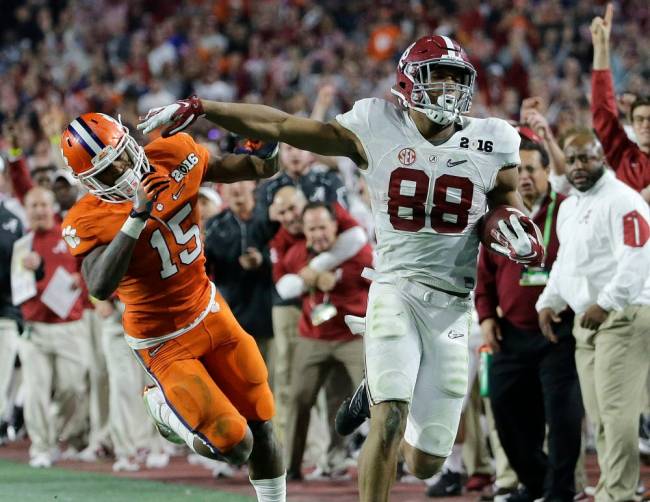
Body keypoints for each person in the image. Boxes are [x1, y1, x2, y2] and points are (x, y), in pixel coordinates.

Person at [138, 35, 544, 501]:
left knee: (426, 460)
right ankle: (385, 395)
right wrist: (204, 106)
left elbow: (503, 203)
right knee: (390, 416)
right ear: (408, 84)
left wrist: (512, 229)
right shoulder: (376, 124)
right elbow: (285, 125)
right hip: (394, 287)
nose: (450, 90)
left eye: (458, 79)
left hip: (452, 302)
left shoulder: (495, 139)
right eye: (439, 78)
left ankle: (378, 383)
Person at [59, 111, 286, 502]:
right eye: (109, 172)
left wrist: (267, 149)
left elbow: (252, 167)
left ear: (131, 143)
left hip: (209, 309)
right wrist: (136, 216)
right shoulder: (87, 217)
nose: (126, 172)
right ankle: (164, 411)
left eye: (123, 158)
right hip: (162, 340)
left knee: (263, 419)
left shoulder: (173, 154)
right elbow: (99, 285)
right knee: (235, 444)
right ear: (89, 183)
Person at [536, 131, 650, 502]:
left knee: (617, 414)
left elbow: (638, 257)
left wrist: (606, 301)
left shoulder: (623, 200)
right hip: (588, 321)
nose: (578, 167)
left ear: (603, 157)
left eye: (586, 158)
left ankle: (617, 494)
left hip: (622, 316)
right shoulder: (571, 206)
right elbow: (564, 263)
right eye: (571, 160)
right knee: (601, 417)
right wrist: (547, 302)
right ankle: (613, 490)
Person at [475, 138, 582, 502]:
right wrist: (486, 315)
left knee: (563, 416)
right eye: (516, 171)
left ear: (547, 170)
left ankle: (560, 490)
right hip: (511, 332)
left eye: (531, 169)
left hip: (558, 332)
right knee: (505, 410)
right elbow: (484, 273)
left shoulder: (569, 209)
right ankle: (535, 483)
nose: (523, 178)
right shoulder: (501, 218)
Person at [275, 202, 371, 479]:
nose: (318, 233)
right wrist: (310, 279)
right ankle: (291, 468)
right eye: (312, 228)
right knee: (298, 399)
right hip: (313, 337)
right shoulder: (297, 255)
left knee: (376, 400)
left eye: (323, 226)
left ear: (335, 227)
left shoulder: (358, 252)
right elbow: (281, 283)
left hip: (354, 337)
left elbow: (381, 285)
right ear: (304, 231)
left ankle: (390, 461)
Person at [14, 187, 89, 468]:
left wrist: (78, 280)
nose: (38, 210)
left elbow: (91, 269)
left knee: (73, 388)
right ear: (26, 210)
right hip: (34, 326)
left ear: (52, 207)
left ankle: (54, 431)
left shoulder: (69, 235)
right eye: (32, 206)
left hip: (68, 324)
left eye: (42, 205)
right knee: (35, 391)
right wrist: (27, 269)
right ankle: (41, 447)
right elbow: (16, 285)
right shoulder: (22, 245)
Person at [204, 180, 274, 365]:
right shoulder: (214, 225)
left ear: (254, 184)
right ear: (222, 189)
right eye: (230, 183)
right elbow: (201, 268)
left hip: (268, 312)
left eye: (241, 181)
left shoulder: (270, 218)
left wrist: (263, 260)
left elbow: (287, 255)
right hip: (231, 314)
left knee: (275, 379)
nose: (236, 188)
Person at [590, 3, 650, 200]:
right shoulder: (625, 156)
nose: (646, 124)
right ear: (631, 124)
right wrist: (601, 48)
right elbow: (603, 111)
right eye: (640, 119)